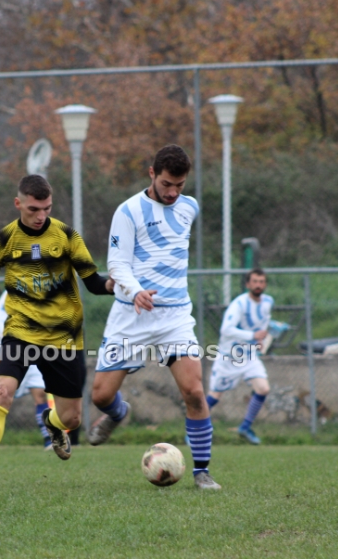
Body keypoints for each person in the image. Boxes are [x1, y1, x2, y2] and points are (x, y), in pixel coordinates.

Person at [0, 174, 114, 490]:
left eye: (47, 209)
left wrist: (112, 286)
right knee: (2, 392)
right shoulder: (1, 240)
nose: (41, 216)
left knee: (72, 418)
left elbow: (92, 281)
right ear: (18, 203)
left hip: (63, 337)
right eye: (34, 209)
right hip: (20, 332)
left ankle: (52, 423)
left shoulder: (66, 236)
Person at [88, 144, 221, 490]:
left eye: (180, 185)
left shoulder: (190, 207)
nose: (173, 192)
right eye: (166, 184)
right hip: (131, 314)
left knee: (194, 392)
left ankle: (202, 472)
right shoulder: (128, 211)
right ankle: (119, 413)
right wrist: (136, 291)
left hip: (174, 317)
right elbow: (117, 263)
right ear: (151, 173)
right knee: (100, 396)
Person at [0, 290, 54, 451]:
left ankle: (49, 439)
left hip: (36, 351)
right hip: (12, 353)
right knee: (1, 395)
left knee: (40, 393)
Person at [206, 268, 273, 445]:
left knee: (263, 389)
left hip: (249, 355)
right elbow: (226, 330)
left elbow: (263, 323)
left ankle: (245, 427)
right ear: (248, 284)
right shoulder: (239, 304)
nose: (258, 285)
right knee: (214, 397)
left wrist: (259, 340)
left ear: (265, 284)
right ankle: (193, 429)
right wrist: (252, 335)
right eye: (255, 281)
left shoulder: (268, 302)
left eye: (261, 282)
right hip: (230, 357)